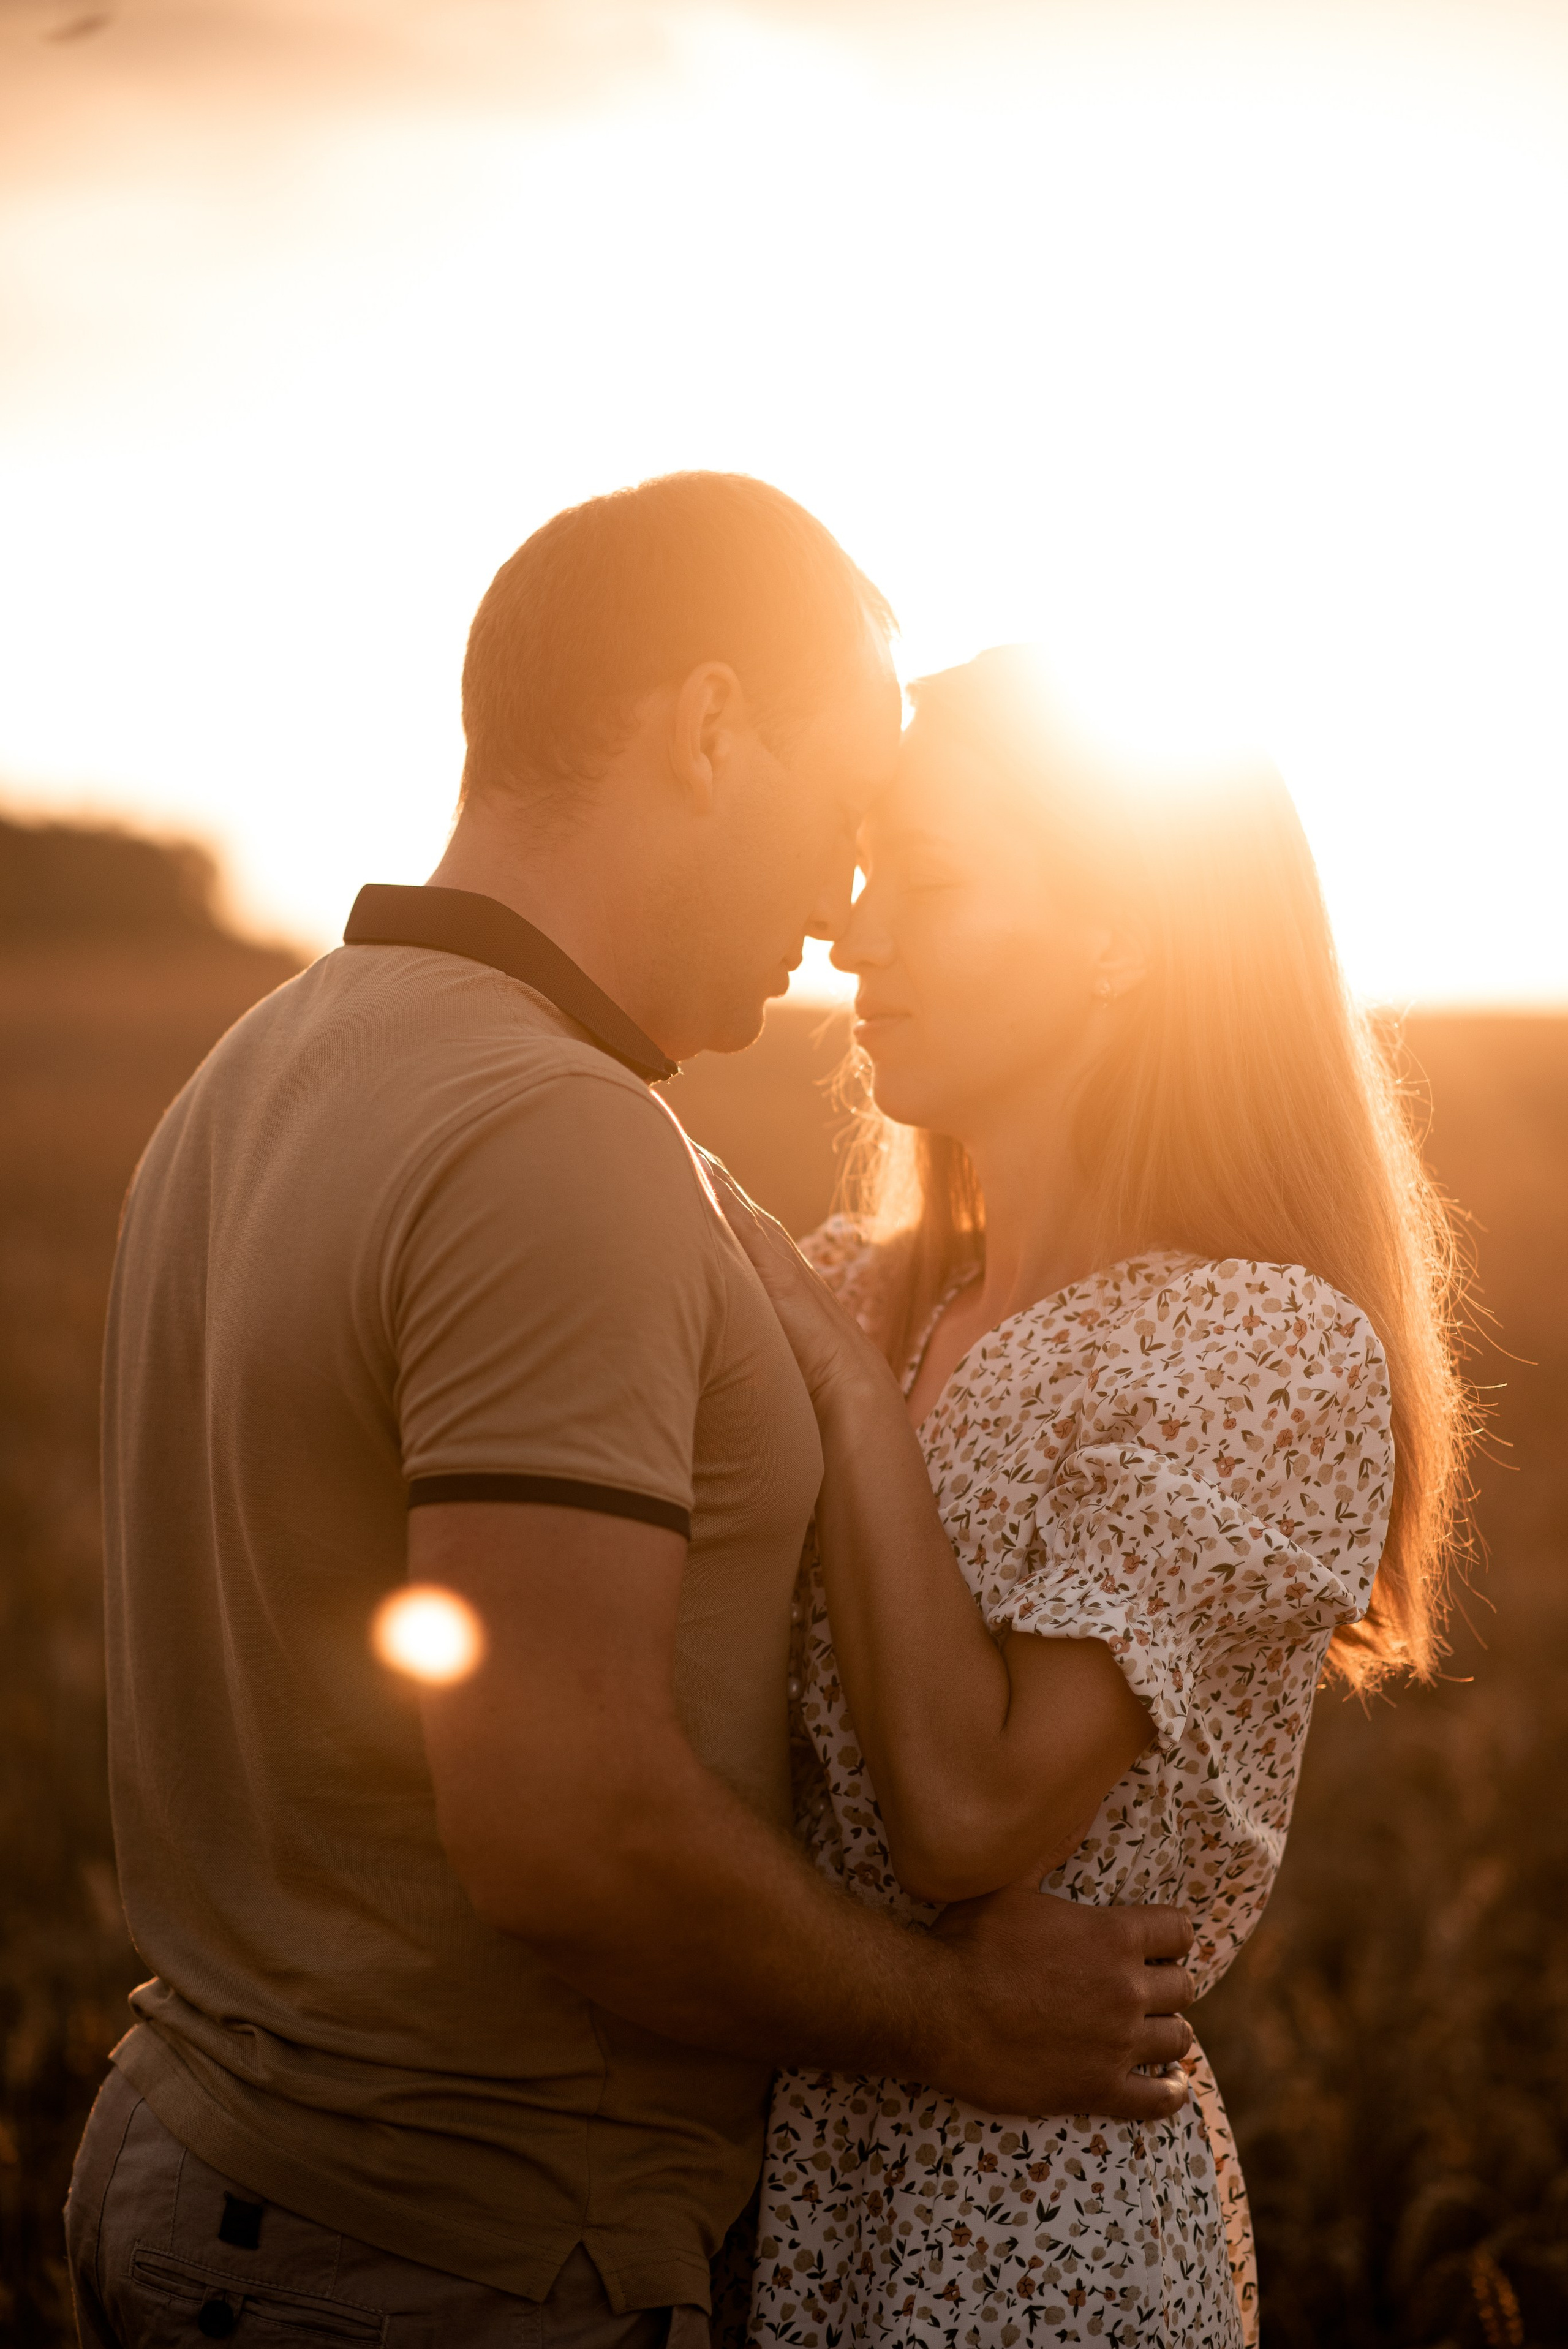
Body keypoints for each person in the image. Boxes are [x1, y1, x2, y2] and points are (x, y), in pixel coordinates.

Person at [66, 483, 1197, 2349]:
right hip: (464, 2244)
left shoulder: (257, 1067)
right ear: (707, 727)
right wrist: (956, 2016)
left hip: (216, 2154)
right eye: (844, 817)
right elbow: (564, 1818)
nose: (846, 910)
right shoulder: (554, 1137)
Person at [718, 648, 1468, 2347]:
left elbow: (969, 1817)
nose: (856, 931)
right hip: (774, 2191)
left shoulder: (1259, 1345)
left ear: (1122, 931)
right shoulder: (852, 1279)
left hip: (1035, 2236)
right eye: (865, 872)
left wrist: (848, 1395)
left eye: (934, 880)